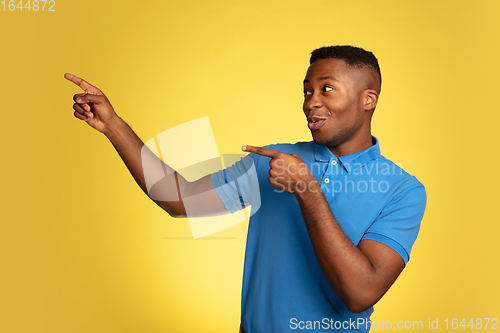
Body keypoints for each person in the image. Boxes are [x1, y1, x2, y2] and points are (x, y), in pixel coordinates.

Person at [65, 45, 426, 333]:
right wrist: (112, 125)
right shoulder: (274, 160)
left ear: (368, 99)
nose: (311, 101)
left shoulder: (403, 190)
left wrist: (307, 190)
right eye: (307, 90)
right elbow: (180, 200)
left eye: (327, 89)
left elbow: (360, 294)